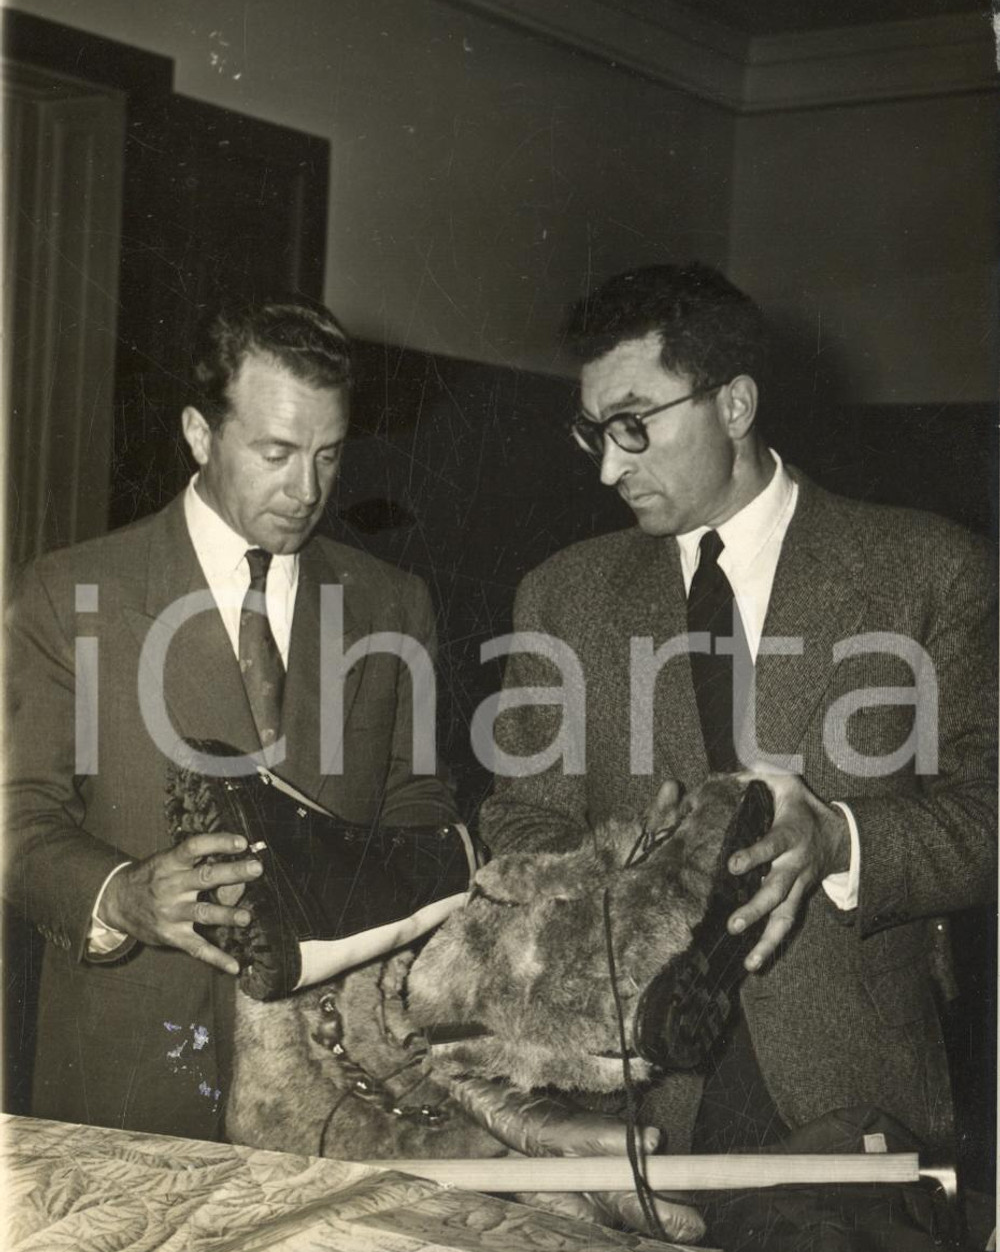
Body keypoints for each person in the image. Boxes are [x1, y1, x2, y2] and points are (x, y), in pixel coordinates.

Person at [479, 262, 997, 1161]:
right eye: (596, 432)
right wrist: (626, 873)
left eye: (635, 426)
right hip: (630, 1097)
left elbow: (988, 814)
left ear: (734, 404)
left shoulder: (931, 570)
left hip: (861, 1086)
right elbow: (521, 821)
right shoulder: (563, 596)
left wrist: (838, 837)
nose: (610, 467)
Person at [5, 300, 457, 1141]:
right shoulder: (63, 596)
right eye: (276, 453)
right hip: (128, 1083)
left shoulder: (395, 602)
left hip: (336, 1088)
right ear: (199, 433)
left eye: (329, 455)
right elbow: (16, 821)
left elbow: (419, 801)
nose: (307, 490)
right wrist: (122, 894)